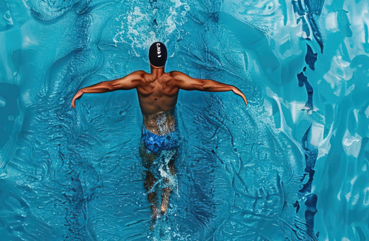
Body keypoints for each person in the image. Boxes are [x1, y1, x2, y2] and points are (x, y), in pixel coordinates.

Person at [71, 42, 247, 221]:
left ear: (149, 59)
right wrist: (231, 87)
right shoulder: (174, 80)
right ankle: (165, 202)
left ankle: (154, 209)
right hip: (170, 134)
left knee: (148, 171)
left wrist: (84, 90)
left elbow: (111, 85)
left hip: (150, 137)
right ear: (166, 60)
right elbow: (202, 84)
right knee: (170, 166)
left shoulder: (140, 80)